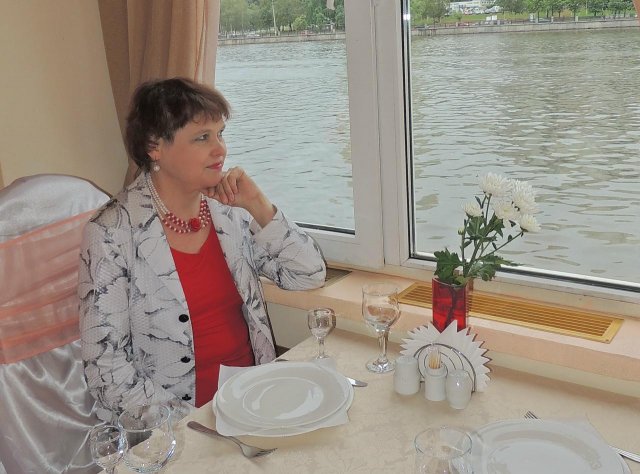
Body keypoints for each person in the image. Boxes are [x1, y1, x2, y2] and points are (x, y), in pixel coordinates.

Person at [79, 77, 326, 422]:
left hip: (254, 399)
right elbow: (106, 372)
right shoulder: (112, 232)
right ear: (154, 146)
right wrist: (193, 424)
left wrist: (258, 204)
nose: (220, 149)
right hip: (174, 424)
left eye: (220, 134)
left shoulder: (229, 212)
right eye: (202, 137)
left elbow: (308, 274)